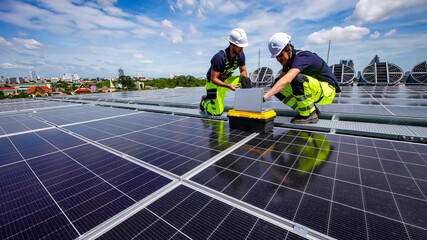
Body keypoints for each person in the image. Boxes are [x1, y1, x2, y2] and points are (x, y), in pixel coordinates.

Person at [263, 32, 341, 124]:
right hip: (317, 90)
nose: (278, 59)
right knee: (276, 85)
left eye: (280, 55)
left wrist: (264, 97)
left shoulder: (303, 57)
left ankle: (309, 114)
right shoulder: (288, 62)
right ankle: (308, 109)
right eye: (276, 57)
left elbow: (288, 78)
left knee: (297, 79)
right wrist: (268, 91)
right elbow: (280, 81)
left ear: (288, 48)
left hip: (328, 91)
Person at [200, 28, 252, 116]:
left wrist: (244, 84)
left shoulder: (240, 55)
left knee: (246, 81)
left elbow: (243, 71)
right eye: (239, 46)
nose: (242, 49)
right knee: (216, 112)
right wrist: (228, 86)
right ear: (231, 44)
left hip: (226, 80)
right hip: (214, 84)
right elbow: (213, 79)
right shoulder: (220, 58)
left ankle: (245, 108)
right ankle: (205, 102)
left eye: (243, 46)